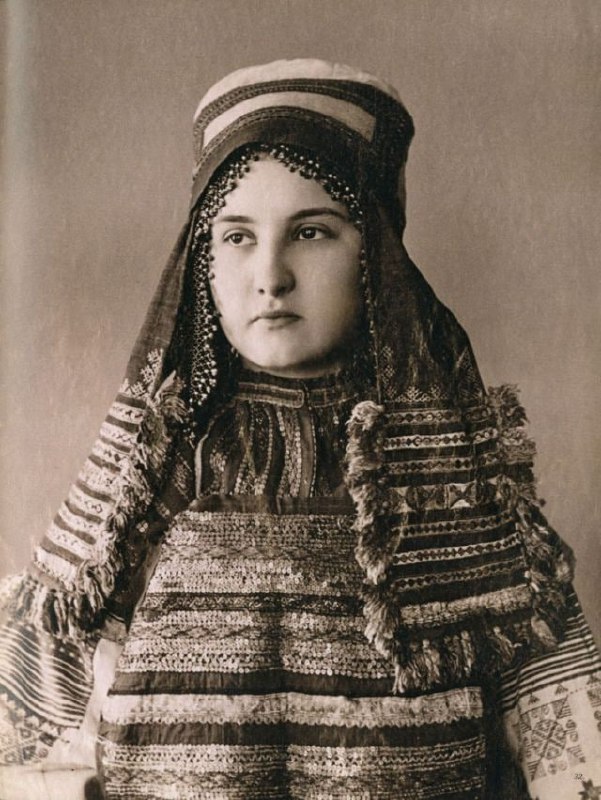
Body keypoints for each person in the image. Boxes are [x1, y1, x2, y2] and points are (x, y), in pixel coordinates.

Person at [1, 59, 600, 800]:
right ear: (202, 259)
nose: (270, 275)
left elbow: (578, 770)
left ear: (376, 250)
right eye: (236, 236)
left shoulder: (465, 501)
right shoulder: (140, 489)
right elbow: (23, 753)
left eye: (311, 232)